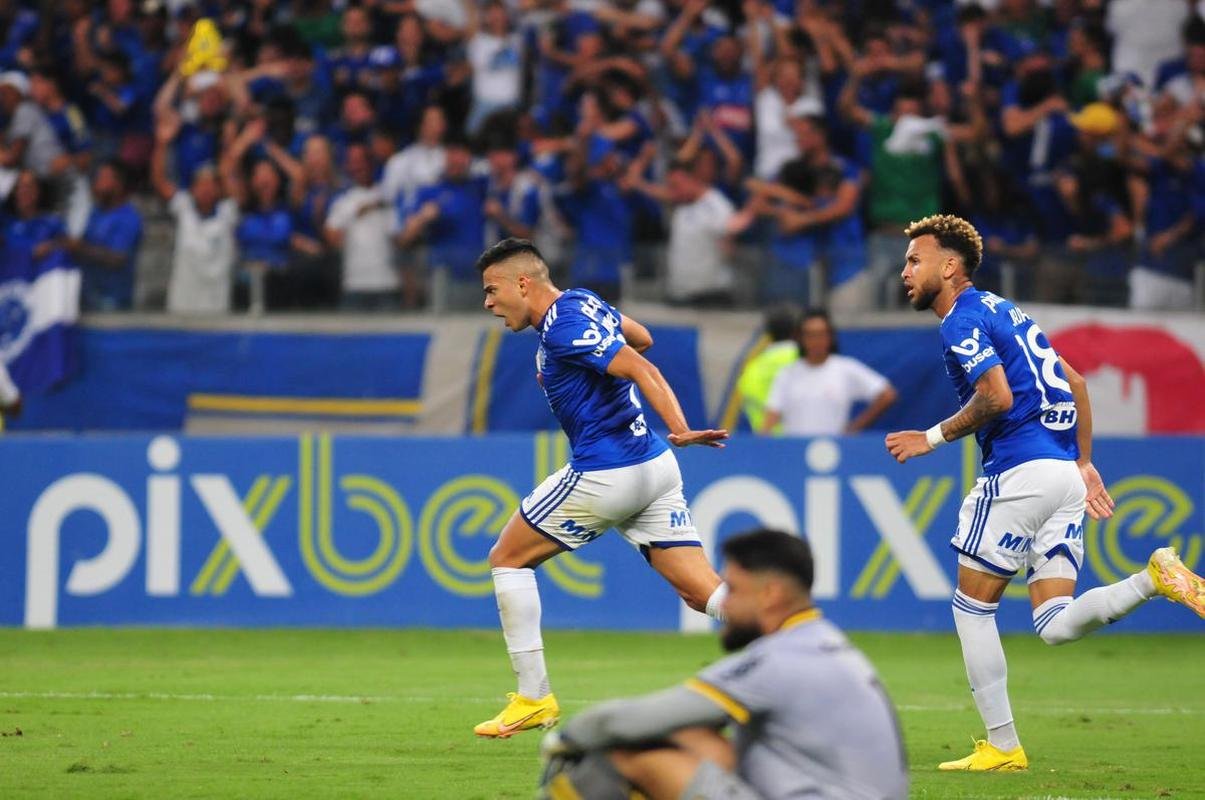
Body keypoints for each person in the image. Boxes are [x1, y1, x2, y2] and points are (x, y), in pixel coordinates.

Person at [885, 214, 1205, 772]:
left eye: (915, 260)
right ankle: (1152, 578)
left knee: (971, 609)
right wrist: (1082, 462)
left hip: (1018, 473)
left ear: (950, 265)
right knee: (1054, 623)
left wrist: (929, 438)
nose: (905, 271)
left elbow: (998, 398)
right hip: (1060, 474)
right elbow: (1077, 383)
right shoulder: (1006, 310)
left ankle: (1004, 746)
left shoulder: (960, 319)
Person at [474, 238, 730, 738]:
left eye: (491, 289)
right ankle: (799, 637)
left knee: (507, 558)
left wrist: (679, 426)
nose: (488, 303)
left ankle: (533, 698)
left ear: (522, 283)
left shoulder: (564, 325)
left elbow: (642, 363)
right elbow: (643, 336)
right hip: (654, 467)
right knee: (703, 594)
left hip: (607, 471)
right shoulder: (583, 302)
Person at [537, 528, 908, 800]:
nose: (721, 603)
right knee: (693, 737)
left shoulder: (782, 659)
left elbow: (623, 721)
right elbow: (688, 729)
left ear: (770, 594)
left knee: (631, 756)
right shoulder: (821, 643)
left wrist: (563, 741)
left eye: (732, 589)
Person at [763, 309, 897, 436]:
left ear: (830, 337)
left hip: (833, 452)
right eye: (810, 335)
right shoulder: (787, 374)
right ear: (801, 338)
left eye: (821, 334)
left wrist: (854, 428)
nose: (816, 341)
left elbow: (886, 394)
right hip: (794, 451)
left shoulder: (845, 369)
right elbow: (771, 416)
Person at [736, 304, 799, 434]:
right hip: (801, 442)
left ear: (768, 333)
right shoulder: (806, 361)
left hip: (766, 444)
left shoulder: (751, 367)